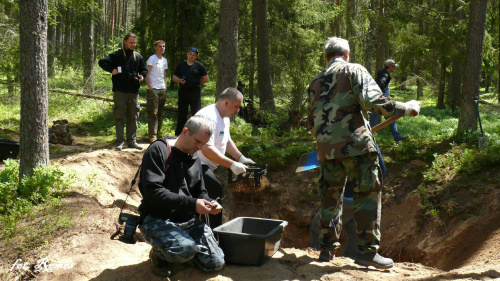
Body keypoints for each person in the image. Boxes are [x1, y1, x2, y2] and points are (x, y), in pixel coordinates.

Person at [307, 37, 420, 269]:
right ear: (346, 54)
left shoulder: (315, 81)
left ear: (326, 57)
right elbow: (372, 100)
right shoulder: (354, 70)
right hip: (357, 148)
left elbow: (311, 120)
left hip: (327, 151)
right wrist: (405, 108)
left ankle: (326, 250)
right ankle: (367, 252)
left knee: (330, 199)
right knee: (367, 195)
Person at [138, 115, 225, 278]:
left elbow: (200, 191)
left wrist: (209, 202)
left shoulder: (194, 157)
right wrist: (193, 204)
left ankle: (183, 252)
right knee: (185, 249)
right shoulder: (159, 150)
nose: (200, 147)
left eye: (204, 144)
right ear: (185, 131)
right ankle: (159, 255)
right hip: (157, 219)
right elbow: (153, 192)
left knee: (216, 263)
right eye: (198, 141)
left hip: (188, 221)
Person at [194, 87, 255, 229]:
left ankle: (207, 230)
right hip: (194, 163)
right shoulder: (208, 116)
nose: (238, 110)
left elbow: (226, 141)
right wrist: (232, 164)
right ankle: (213, 233)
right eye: (236, 106)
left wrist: (240, 158)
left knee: (211, 191)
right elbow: (205, 148)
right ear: (226, 102)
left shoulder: (224, 118)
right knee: (214, 190)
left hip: (206, 165)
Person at [98, 33, 148, 151]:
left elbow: (144, 69)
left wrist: (142, 76)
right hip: (120, 90)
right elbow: (102, 62)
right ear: (125, 42)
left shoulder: (138, 56)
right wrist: (112, 70)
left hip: (134, 90)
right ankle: (119, 142)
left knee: (133, 116)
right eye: (131, 43)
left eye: (134, 43)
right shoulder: (117, 54)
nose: (133, 45)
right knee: (119, 116)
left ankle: (132, 141)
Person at [172, 47, 209, 136]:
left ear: (196, 56)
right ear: (187, 54)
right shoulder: (181, 65)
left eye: (193, 55)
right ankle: (179, 135)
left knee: (196, 114)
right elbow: (174, 77)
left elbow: (206, 79)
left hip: (195, 93)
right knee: (181, 115)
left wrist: (197, 83)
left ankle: (196, 135)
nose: (191, 56)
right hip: (183, 92)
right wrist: (179, 80)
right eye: (190, 54)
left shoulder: (199, 66)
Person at [369, 59, 408, 142]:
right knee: (371, 123)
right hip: (380, 103)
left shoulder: (384, 73)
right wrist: (382, 96)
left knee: (392, 118)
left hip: (383, 102)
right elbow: (381, 84)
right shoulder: (385, 74)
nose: (394, 69)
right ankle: (364, 138)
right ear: (390, 66)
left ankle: (397, 138)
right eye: (394, 67)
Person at [145, 40, 169, 144]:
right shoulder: (152, 59)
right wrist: (150, 87)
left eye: (163, 46)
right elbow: (146, 73)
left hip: (162, 88)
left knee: (160, 112)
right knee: (153, 112)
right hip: (153, 88)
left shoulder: (164, 60)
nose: (162, 48)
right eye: (160, 46)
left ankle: (158, 134)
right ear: (155, 47)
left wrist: (165, 87)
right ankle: (152, 136)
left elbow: (164, 74)